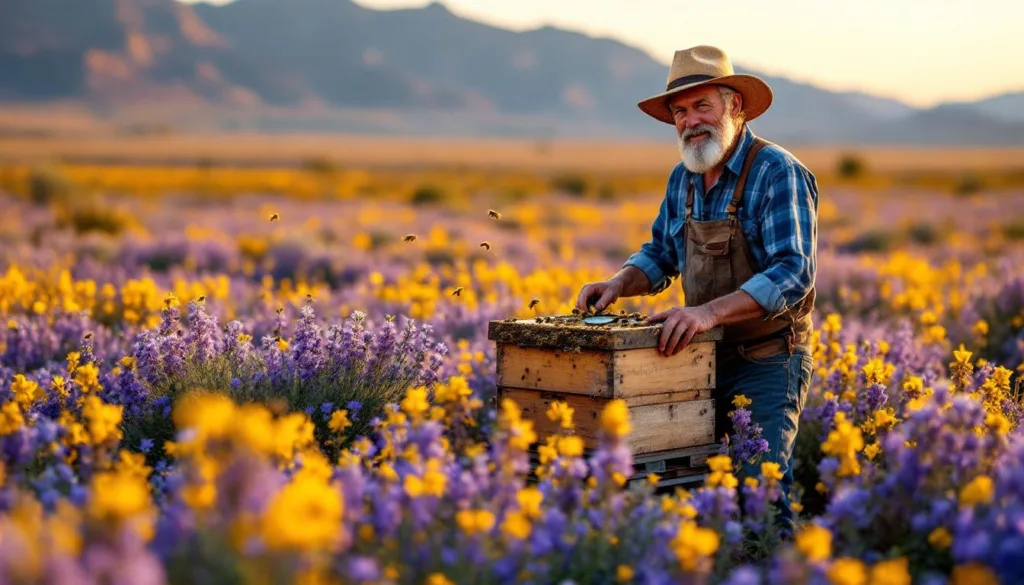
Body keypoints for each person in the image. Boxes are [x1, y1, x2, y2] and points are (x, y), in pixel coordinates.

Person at [575, 45, 817, 534]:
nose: (689, 122)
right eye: (680, 112)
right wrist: (619, 282)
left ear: (736, 107)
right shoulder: (683, 177)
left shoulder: (777, 171)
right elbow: (661, 254)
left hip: (767, 359)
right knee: (685, 483)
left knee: (760, 492)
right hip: (697, 360)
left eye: (701, 106)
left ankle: (782, 566)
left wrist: (706, 313)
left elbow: (793, 271)